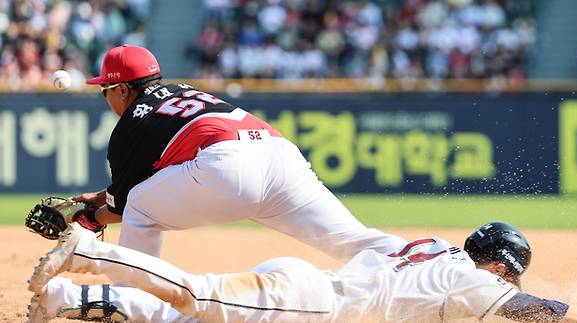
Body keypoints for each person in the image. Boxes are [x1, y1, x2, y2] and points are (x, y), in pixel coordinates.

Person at [71, 44, 406, 261]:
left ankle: (130, 303)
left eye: (105, 91)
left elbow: (126, 206)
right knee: (350, 240)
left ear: (122, 90)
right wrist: (96, 198)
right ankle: (440, 262)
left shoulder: (130, 126)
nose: (106, 100)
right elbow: (154, 183)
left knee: (141, 208)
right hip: (278, 156)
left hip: (229, 167)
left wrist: (85, 216)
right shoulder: (180, 91)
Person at [27, 222, 577, 322]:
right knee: (195, 296)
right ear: (501, 268)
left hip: (304, 291)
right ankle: (87, 251)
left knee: (182, 318)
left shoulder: (436, 253)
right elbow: (541, 312)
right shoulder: (474, 283)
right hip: (310, 304)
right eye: (509, 275)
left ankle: (64, 299)